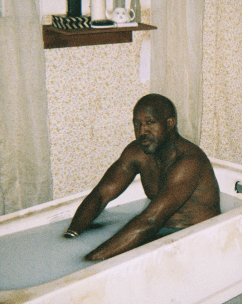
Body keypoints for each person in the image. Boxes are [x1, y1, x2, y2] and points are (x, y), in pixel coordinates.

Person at [64, 94, 220, 262]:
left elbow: (150, 221)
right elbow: (101, 195)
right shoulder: (137, 153)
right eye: (137, 124)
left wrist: (89, 261)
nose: (142, 131)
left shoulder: (189, 162)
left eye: (150, 123)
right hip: (160, 233)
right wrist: (70, 235)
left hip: (199, 238)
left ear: (170, 123)